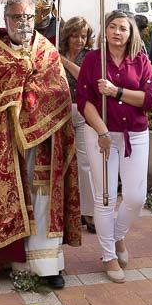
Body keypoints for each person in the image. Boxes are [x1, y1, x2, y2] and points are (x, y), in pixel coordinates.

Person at [0, 0, 81, 288]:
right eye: (17, 18)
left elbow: (58, 92)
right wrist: (18, 73)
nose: (23, 24)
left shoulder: (46, 50)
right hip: (6, 143)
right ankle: (11, 259)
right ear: (6, 20)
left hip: (44, 142)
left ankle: (48, 265)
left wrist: (28, 90)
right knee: (12, 199)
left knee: (43, 200)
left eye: (28, 17)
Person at [76, 11, 152, 283]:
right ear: (105, 31)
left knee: (136, 197)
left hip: (134, 133)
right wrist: (101, 131)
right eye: (112, 27)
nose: (117, 32)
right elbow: (84, 100)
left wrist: (116, 92)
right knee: (105, 197)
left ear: (131, 33)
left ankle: (118, 235)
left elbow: (149, 100)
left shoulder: (141, 61)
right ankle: (108, 254)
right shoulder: (92, 60)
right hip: (102, 133)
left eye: (123, 28)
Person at [59, 16, 97, 234]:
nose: (80, 40)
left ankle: (89, 212)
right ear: (68, 35)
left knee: (85, 163)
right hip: (61, 111)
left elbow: (84, 78)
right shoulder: (56, 52)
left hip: (83, 111)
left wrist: (63, 62)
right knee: (62, 162)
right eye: (75, 35)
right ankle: (65, 210)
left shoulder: (90, 56)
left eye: (83, 36)